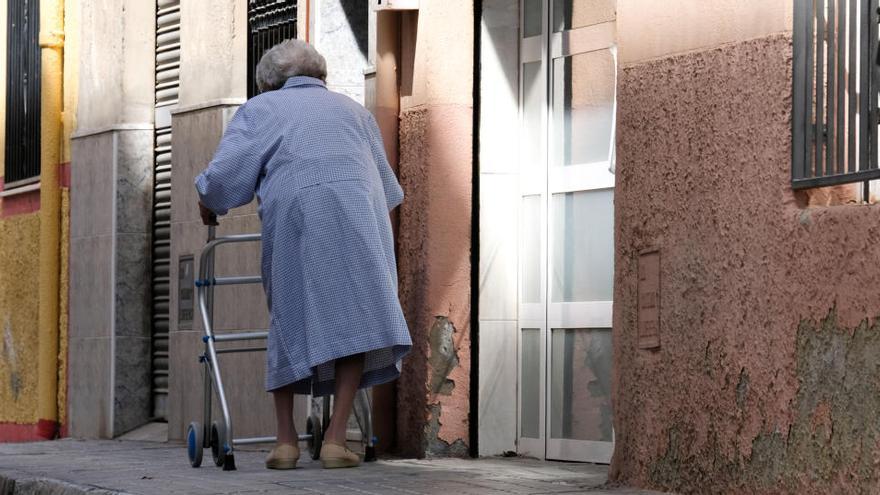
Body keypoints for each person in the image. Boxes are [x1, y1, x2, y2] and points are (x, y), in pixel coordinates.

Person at [194, 39, 411, 470]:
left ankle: (285, 442)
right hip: (359, 215)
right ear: (321, 77)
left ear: (269, 84)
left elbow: (222, 179)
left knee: (290, 314)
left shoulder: (261, 109)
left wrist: (207, 206)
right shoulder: (355, 111)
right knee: (356, 319)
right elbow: (387, 188)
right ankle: (334, 440)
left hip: (297, 215)